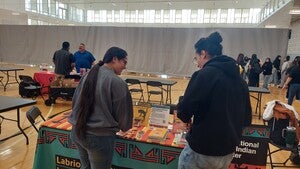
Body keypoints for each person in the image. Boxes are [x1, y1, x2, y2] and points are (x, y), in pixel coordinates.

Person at [177, 32, 252, 169]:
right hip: (228, 152)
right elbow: (246, 119)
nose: (197, 64)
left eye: (196, 58)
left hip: (202, 150)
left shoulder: (203, 75)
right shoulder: (240, 81)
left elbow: (183, 112)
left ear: (203, 54)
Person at [69, 47, 133, 169]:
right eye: (124, 62)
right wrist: (124, 127)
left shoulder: (87, 75)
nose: (125, 66)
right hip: (98, 138)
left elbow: (75, 103)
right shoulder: (117, 82)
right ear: (114, 59)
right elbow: (124, 118)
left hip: (77, 131)